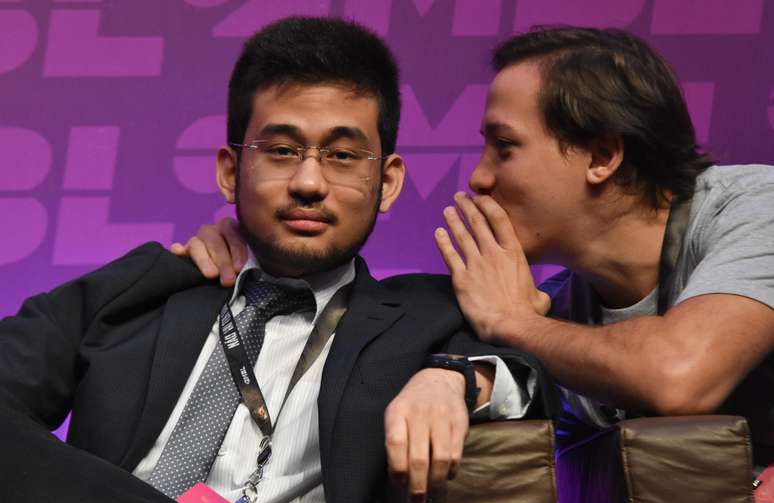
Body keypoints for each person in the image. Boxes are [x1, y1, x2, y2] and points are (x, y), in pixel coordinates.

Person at [0, 17, 549, 503]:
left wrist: (450, 378)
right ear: (229, 170)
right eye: (282, 150)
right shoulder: (140, 294)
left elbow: (529, 370)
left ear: (388, 183)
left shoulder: (426, 315)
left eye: (342, 155)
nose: (309, 183)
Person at [190, 26, 774, 471]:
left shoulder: (756, 210)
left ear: (601, 156)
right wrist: (253, 266)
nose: (479, 178)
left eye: (504, 146)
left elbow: (679, 375)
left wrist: (515, 322)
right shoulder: (564, 313)